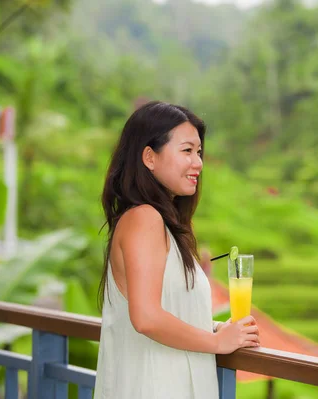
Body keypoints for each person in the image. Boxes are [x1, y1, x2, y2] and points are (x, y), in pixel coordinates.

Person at [93, 101, 260, 399]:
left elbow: (163, 309)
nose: (198, 163)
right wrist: (217, 344)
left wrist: (213, 328)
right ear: (149, 157)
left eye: (198, 152)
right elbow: (145, 317)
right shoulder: (144, 218)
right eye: (186, 151)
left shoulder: (159, 223)